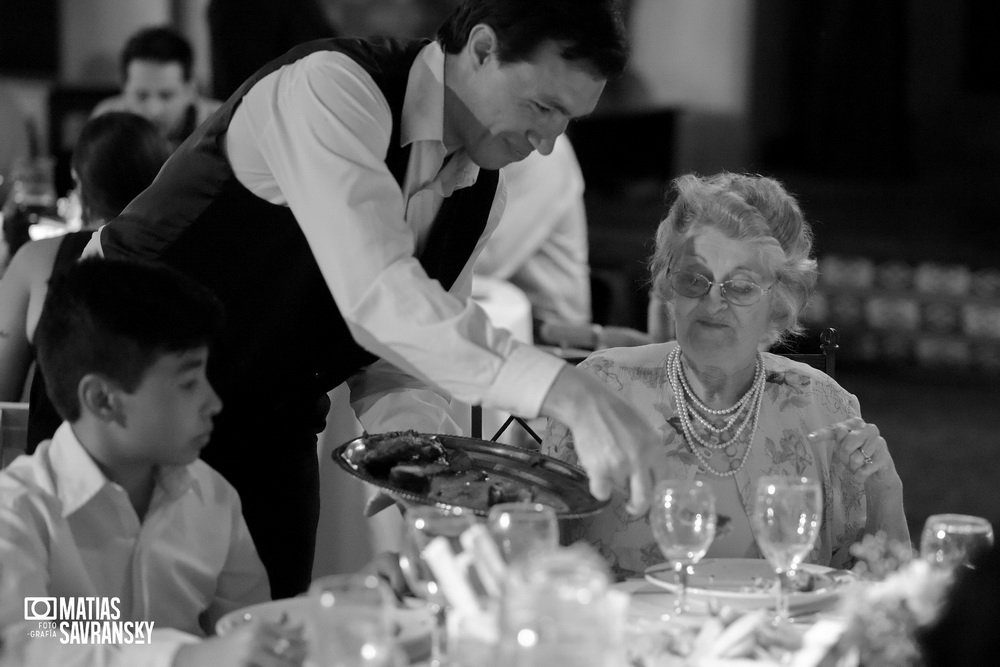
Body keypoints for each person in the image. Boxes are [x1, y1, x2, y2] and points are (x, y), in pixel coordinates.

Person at [81, 0, 661, 598]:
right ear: (482, 49)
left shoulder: (483, 194)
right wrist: (570, 393)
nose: (545, 144)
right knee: (99, 636)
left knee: (270, 639)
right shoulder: (333, 92)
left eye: (567, 120)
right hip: (126, 391)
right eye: (542, 107)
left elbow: (401, 356)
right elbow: (379, 296)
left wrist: (424, 477)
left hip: (272, 422)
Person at [542, 172, 909, 576]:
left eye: (741, 286)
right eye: (694, 279)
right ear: (669, 284)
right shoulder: (600, 389)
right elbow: (540, 561)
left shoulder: (822, 407)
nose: (713, 303)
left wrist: (885, 490)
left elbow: (879, 599)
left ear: (779, 301)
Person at [0, 257, 306, 667]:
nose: (213, 403)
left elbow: (249, 629)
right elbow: (24, 647)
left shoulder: (211, 495)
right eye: (187, 383)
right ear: (103, 399)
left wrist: (346, 601)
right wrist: (188, 657)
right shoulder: (18, 510)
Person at [0, 113, 172, 451]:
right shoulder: (184, 255)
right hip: (158, 469)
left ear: (79, 183)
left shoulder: (38, 260)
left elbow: (1, 394)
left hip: (57, 476)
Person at [91, 26, 222, 151]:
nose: (154, 111)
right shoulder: (105, 124)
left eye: (166, 95)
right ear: (124, 88)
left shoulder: (222, 124)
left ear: (191, 90)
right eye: (141, 95)